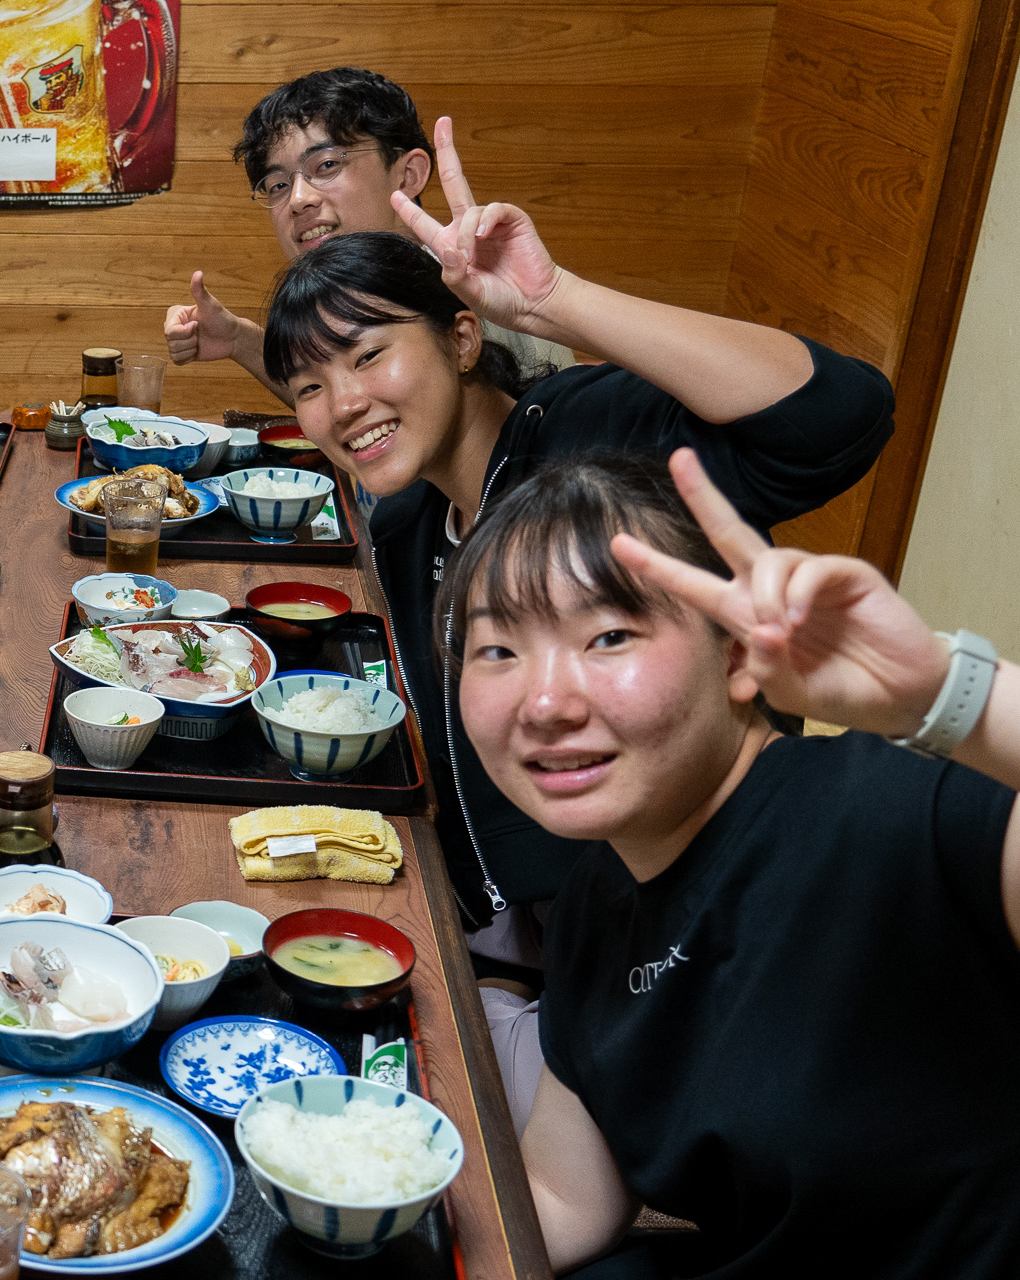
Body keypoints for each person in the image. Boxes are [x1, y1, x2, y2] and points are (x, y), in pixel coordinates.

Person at [258, 119, 895, 1124]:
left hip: (684, 968)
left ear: (464, 335)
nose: (342, 404)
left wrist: (556, 302)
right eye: (308, 385)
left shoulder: (587, 433)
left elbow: (841, 415)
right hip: (515, 959)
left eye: (369, 355)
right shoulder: (407, 515)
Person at [439, 449, 1020, 1276]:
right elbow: (563, 1196)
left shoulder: (903, 816)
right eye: (498, 650)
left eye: (609, 636)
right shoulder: (603, 896)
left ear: (737, 655)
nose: (544, 703)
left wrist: (947, 696)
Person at [164, 68, 572, 404]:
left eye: (325, 165)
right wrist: (238, 339)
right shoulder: (351, 290)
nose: (298, 200)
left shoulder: (472, 287)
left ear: (407, 175)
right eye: (277, 185)